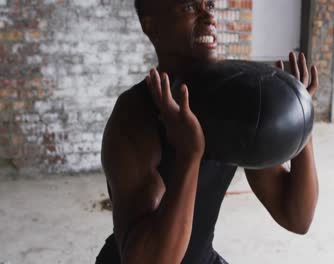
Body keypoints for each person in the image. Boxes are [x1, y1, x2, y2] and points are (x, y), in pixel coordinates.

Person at [96, 0, 319, 263]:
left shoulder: (235, 101)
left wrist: (301, 118)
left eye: (210, 5)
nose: (209, 17)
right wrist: (189, 155)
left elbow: (296, 217)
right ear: (150, 25)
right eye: (190, 7)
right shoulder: (134, 116)